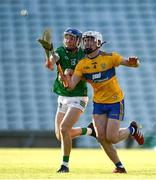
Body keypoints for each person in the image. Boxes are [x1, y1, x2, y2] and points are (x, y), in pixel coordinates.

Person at [65, 31, 144, 173]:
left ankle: (133, 129)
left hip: (115, 101)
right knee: (101, 137)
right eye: (85, 40)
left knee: (112, 138)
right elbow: (70, 86)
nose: (87, 43)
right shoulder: (82, 64)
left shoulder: (110, 57)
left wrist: (135, 62)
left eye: (91, 40)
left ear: (99, 43)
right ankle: (119, 167)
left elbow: (133, 64)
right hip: (99, 104)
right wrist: (65, 77)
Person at [42, 28, 96, 173]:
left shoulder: (83, 56)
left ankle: (64, 165)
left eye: (72, 38)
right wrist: (50, 62)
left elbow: (86, 74)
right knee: (60, 135)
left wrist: (71, 73)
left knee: (64, 129)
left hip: (78, 97)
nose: (68, 40)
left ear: (78, 41)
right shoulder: (59, 50)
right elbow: (52, 61)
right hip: (63, 97)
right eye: (66, 37)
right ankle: (90, 130)